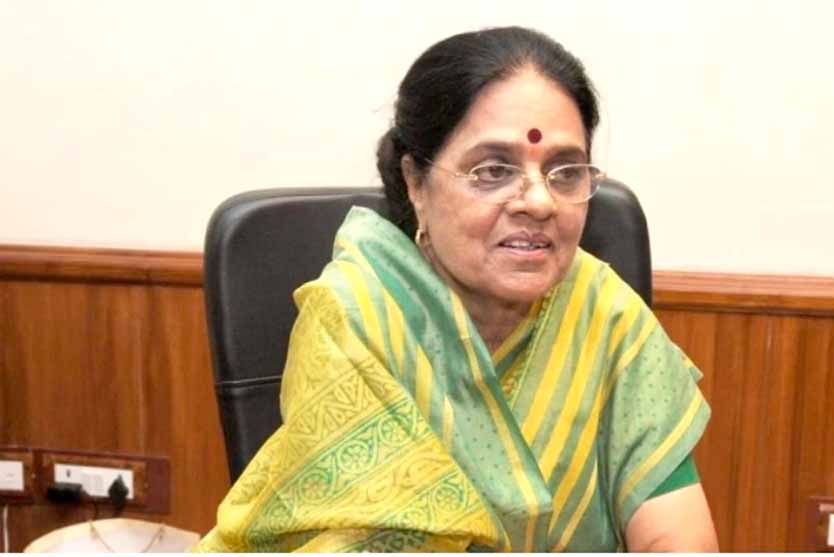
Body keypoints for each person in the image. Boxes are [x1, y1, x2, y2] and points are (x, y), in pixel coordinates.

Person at [196, 26, 716, 552]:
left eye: (564, 172)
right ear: (415, 182)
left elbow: (677, 535)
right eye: (492, 170)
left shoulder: (604, 310)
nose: (540, 202)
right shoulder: (359, 317)